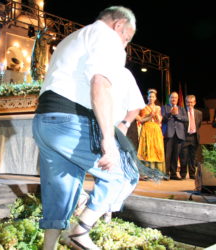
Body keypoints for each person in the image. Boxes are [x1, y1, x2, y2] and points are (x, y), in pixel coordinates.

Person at [32, 6, 142, 250]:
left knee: (61, 189)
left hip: (44, 121)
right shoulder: (108, 38)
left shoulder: (71, 39)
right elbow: (99, 84)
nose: (125, 44)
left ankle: (48, 247)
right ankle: (79, 233)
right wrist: (107, 139)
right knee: (124, 174)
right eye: (127, 38)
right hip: (71, 120)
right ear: (119, 25)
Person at [136, 89, 166, 174]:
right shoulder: (143, 107)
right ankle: (146, 172)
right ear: (147, 97)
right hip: (146, 129)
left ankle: (157, 171)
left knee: (157, 149)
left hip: (156, 129)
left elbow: (160, 120)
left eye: (153, 96)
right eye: (149, 96)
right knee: (146, 149)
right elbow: (141, 120)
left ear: (155, 98)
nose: (151, 98)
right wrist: (150, 116)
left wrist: (156, 114)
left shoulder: (158, 108)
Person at [161, 92, 188, 180]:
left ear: (177, 99)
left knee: (176, 155)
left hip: (179, 134)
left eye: (175, 98)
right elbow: (163, 119)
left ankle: (173, 174)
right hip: (168, 134)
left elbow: (186, 119)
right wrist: (170, 113)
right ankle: (166, 174)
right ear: (169, 98)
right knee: (167, 155)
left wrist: (177, 115)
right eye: (172, 97)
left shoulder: (181, 108)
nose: (173, 99)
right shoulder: (164, 107)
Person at [180, 95, 202, 179]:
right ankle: (183, 174)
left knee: (193, 157)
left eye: (191, 102)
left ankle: (192, 174)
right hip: (184, 137)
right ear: (185, 103)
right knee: (183, 157)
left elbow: (199, 124)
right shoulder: (182, 112)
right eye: (188, 102)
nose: (190, 104)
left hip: (194, 137)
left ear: (195, 103)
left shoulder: (199, 113)